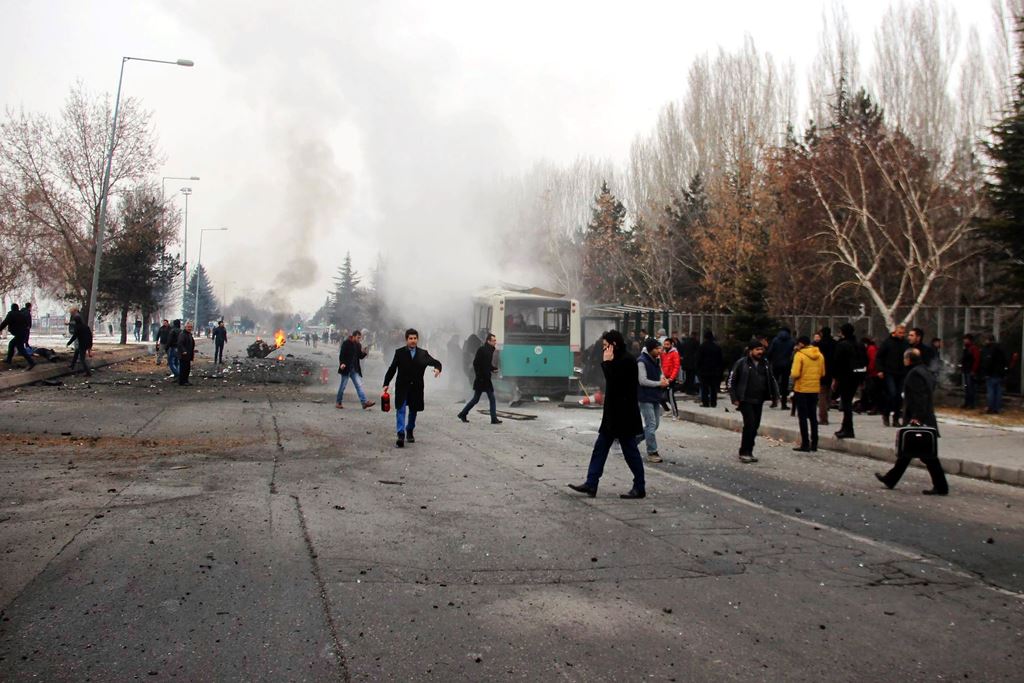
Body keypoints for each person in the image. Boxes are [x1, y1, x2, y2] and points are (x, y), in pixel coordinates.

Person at [568, 330, 646, 499]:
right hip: (612, 415)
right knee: (600, 448)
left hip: (624, 415)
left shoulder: (627, 360)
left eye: (605, 346)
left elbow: (617, 383)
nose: (604, 350)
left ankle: (640, 486)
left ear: (614, 345)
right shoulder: (617, 359)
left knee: (630, 451)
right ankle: (591, 483)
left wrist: (607, 364)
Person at [875, 348, 948, 495]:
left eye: (904, 358)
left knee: (927, 456)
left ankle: (941, 486)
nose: (903, 361)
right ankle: (891, 479)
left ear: (909, 359)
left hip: (920, 419)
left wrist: (917, 418)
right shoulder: (924, 371)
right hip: (924, 417)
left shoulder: (914, 374)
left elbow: (920, 398)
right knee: (908, 452)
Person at [382, 328, 442, 448]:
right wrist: (386, 383)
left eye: (415, 338)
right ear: (406, 340)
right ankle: (400, 434)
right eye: (410, 338)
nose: (413, 341)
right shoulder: (399, 353)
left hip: (416, 387)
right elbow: (392, 368)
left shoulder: (423, 354)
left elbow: (436, 362)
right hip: (402, 386)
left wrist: (437, 369)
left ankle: (409, 430)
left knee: (413, 411)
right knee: (401, 409)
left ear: (417, 339)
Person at [728, 340, 780, 463]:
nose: (760, 352)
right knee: (750, 424)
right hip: (745, 399)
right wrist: (734, 398)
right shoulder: (741, 363)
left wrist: (774, 396)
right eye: (757, 350)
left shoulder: (765, 364)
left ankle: (749, 450)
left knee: (755, 426)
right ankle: (744, 452)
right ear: (750, 351)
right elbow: (731, 380)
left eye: (761, 349)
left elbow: (771, 380)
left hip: (759, 399)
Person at [637, 338, 669, 463]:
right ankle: (652, 452)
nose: (659, 350)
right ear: (650, 349)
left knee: (655, 425)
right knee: (651, 425)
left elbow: (660, 373)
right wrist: (659, 384)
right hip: (645, 397)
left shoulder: (655, 360)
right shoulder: (641, 361)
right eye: (657, 348)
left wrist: (663, 379)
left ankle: (632, 440)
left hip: (655, 396)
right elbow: (642, 380)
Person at [790, 335, 824, 452]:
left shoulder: (799, 355)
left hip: (802, 389)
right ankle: (815, 443)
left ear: (800, 344)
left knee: (803, 417)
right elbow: (822, 372)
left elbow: (795, 373)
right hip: (814, 389)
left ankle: (805, 443)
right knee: (813, 416)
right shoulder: (819, 355)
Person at [457, 332, 501, 424]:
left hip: (485, 379)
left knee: (477, 399)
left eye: (495, 340)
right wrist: (479, 375)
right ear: (488, 341)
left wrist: (493, 369)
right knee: (488, 399)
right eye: (493, 341)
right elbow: (476, 363)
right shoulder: (482, 350)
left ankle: (463, 413)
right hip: (482, 379)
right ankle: (493, 419)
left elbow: (487, 365)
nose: (495, 342)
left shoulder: (490, 350)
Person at [831, 323, 865, 439]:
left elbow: (837, 363)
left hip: (845, 377)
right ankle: (845, 427)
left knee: (846, 403)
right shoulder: (859, 345)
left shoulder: (842, 345)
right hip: (856, 375)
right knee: (848, 402)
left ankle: (848, 429)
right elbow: (865, 361)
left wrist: (835, 379)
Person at [875, 324, 909, 427]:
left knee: (899, 396)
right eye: (900, 333)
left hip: (901, 372)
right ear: (895, 332)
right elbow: (879, 357)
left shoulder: (905, 344)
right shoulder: (888, 343)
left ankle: (896, 418)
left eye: (903, 333)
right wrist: (880, 370)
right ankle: (886, 414)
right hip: (889, 372)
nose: (901, 335)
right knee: (892, 394)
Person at [337, 329, 374, 409]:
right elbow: (342, 354)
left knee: (359, 386)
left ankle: (364, 402)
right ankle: (338, 402)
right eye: (358, 337)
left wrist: (364, 352)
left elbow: (360, 356)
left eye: (360, 338)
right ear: (353, 336)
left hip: (354, 369)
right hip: (346, 368)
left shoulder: (358, 345)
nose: (359, 339)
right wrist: (342, 363)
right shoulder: (346, 343)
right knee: (343, 386)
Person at [766, 327, 795, 410]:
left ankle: (774, 401)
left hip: (776, 364)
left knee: (774, 383)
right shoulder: (791, 341)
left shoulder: (775, 340)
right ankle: (784, 404)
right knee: (785, 384)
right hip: (786, 365)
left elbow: (770, 351)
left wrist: (770, 360)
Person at [980, 334, 1008, 414]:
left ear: (988, 340)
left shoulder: (989, 349)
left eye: (986, 340)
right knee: (998, 392)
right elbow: (1005, 361)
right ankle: (997, 408)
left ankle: (990, 408)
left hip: (992, 374)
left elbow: (988, 362)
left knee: (991, 391)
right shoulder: (1001, 348)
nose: (985, 341)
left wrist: (986, 373)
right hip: (1000, 374)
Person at [1, 303, 35, 369]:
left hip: (19, 334)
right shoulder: (21, 314)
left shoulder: (11, 314)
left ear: (12, 308)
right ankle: (9, 360)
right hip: (23, 334)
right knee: (12, 344)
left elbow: (5, 323)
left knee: (20, 348)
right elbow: (27, 325)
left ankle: (31, 362)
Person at [695, 330, 724, 408]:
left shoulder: (702, 347)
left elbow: (698, 359)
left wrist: (698, 369)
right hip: (714, 371)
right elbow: (720, 360)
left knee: (705, 387)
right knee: (713, 388)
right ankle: (713, 402)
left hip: (704, 371)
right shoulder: (717, 347)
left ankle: (705, 402)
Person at [815, 327, 837, 425]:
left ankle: (823, 418)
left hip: (822, 371)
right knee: (829, 391)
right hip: (833, 370)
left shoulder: (819, 345)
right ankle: (827, 407)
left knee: (822, 394)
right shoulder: (835, 344)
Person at [66, 307, 92, 377]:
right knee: (76, 352)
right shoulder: (86, 326)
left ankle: (88, 372)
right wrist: (90, 346)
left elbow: (74, 336)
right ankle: (72, 365)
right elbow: (90, 336)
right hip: (87, 343)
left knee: (82, 359)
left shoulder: (78, 328)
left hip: (82, 344)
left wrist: (69, 343)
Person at [660, 336, 681, 418]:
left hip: (671, 378)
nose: (665, 346)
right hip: (664, 377)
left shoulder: (674, 353)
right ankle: (667, 410)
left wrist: (672, 378)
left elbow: (676, 366)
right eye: (664, 344)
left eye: (667, 344)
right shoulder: (663, 353)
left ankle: (676, 414)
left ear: (671, 345)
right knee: (659, 395)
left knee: (670, 396)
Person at [960, 334, 981, 409]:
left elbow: (976, 360)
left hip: (970, 370)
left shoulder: (973, 348)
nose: (964, 340)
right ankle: (967, 403)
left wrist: (973, 370)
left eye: (966, 339)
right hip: (966, 370)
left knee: (970, 388)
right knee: (967, 388)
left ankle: (971, 404)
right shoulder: (966, 348)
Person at [177, 321, 196, 386]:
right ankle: (182, 381)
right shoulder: (182, 334)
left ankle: (186, 380)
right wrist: (183, 351)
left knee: (187, 368)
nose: (189, 328)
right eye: (188, 327)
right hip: (184, 355)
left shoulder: (189, 334)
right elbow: (180, 343)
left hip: (188, 354)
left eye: (191, 327)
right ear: (185, 327)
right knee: (183, 368)